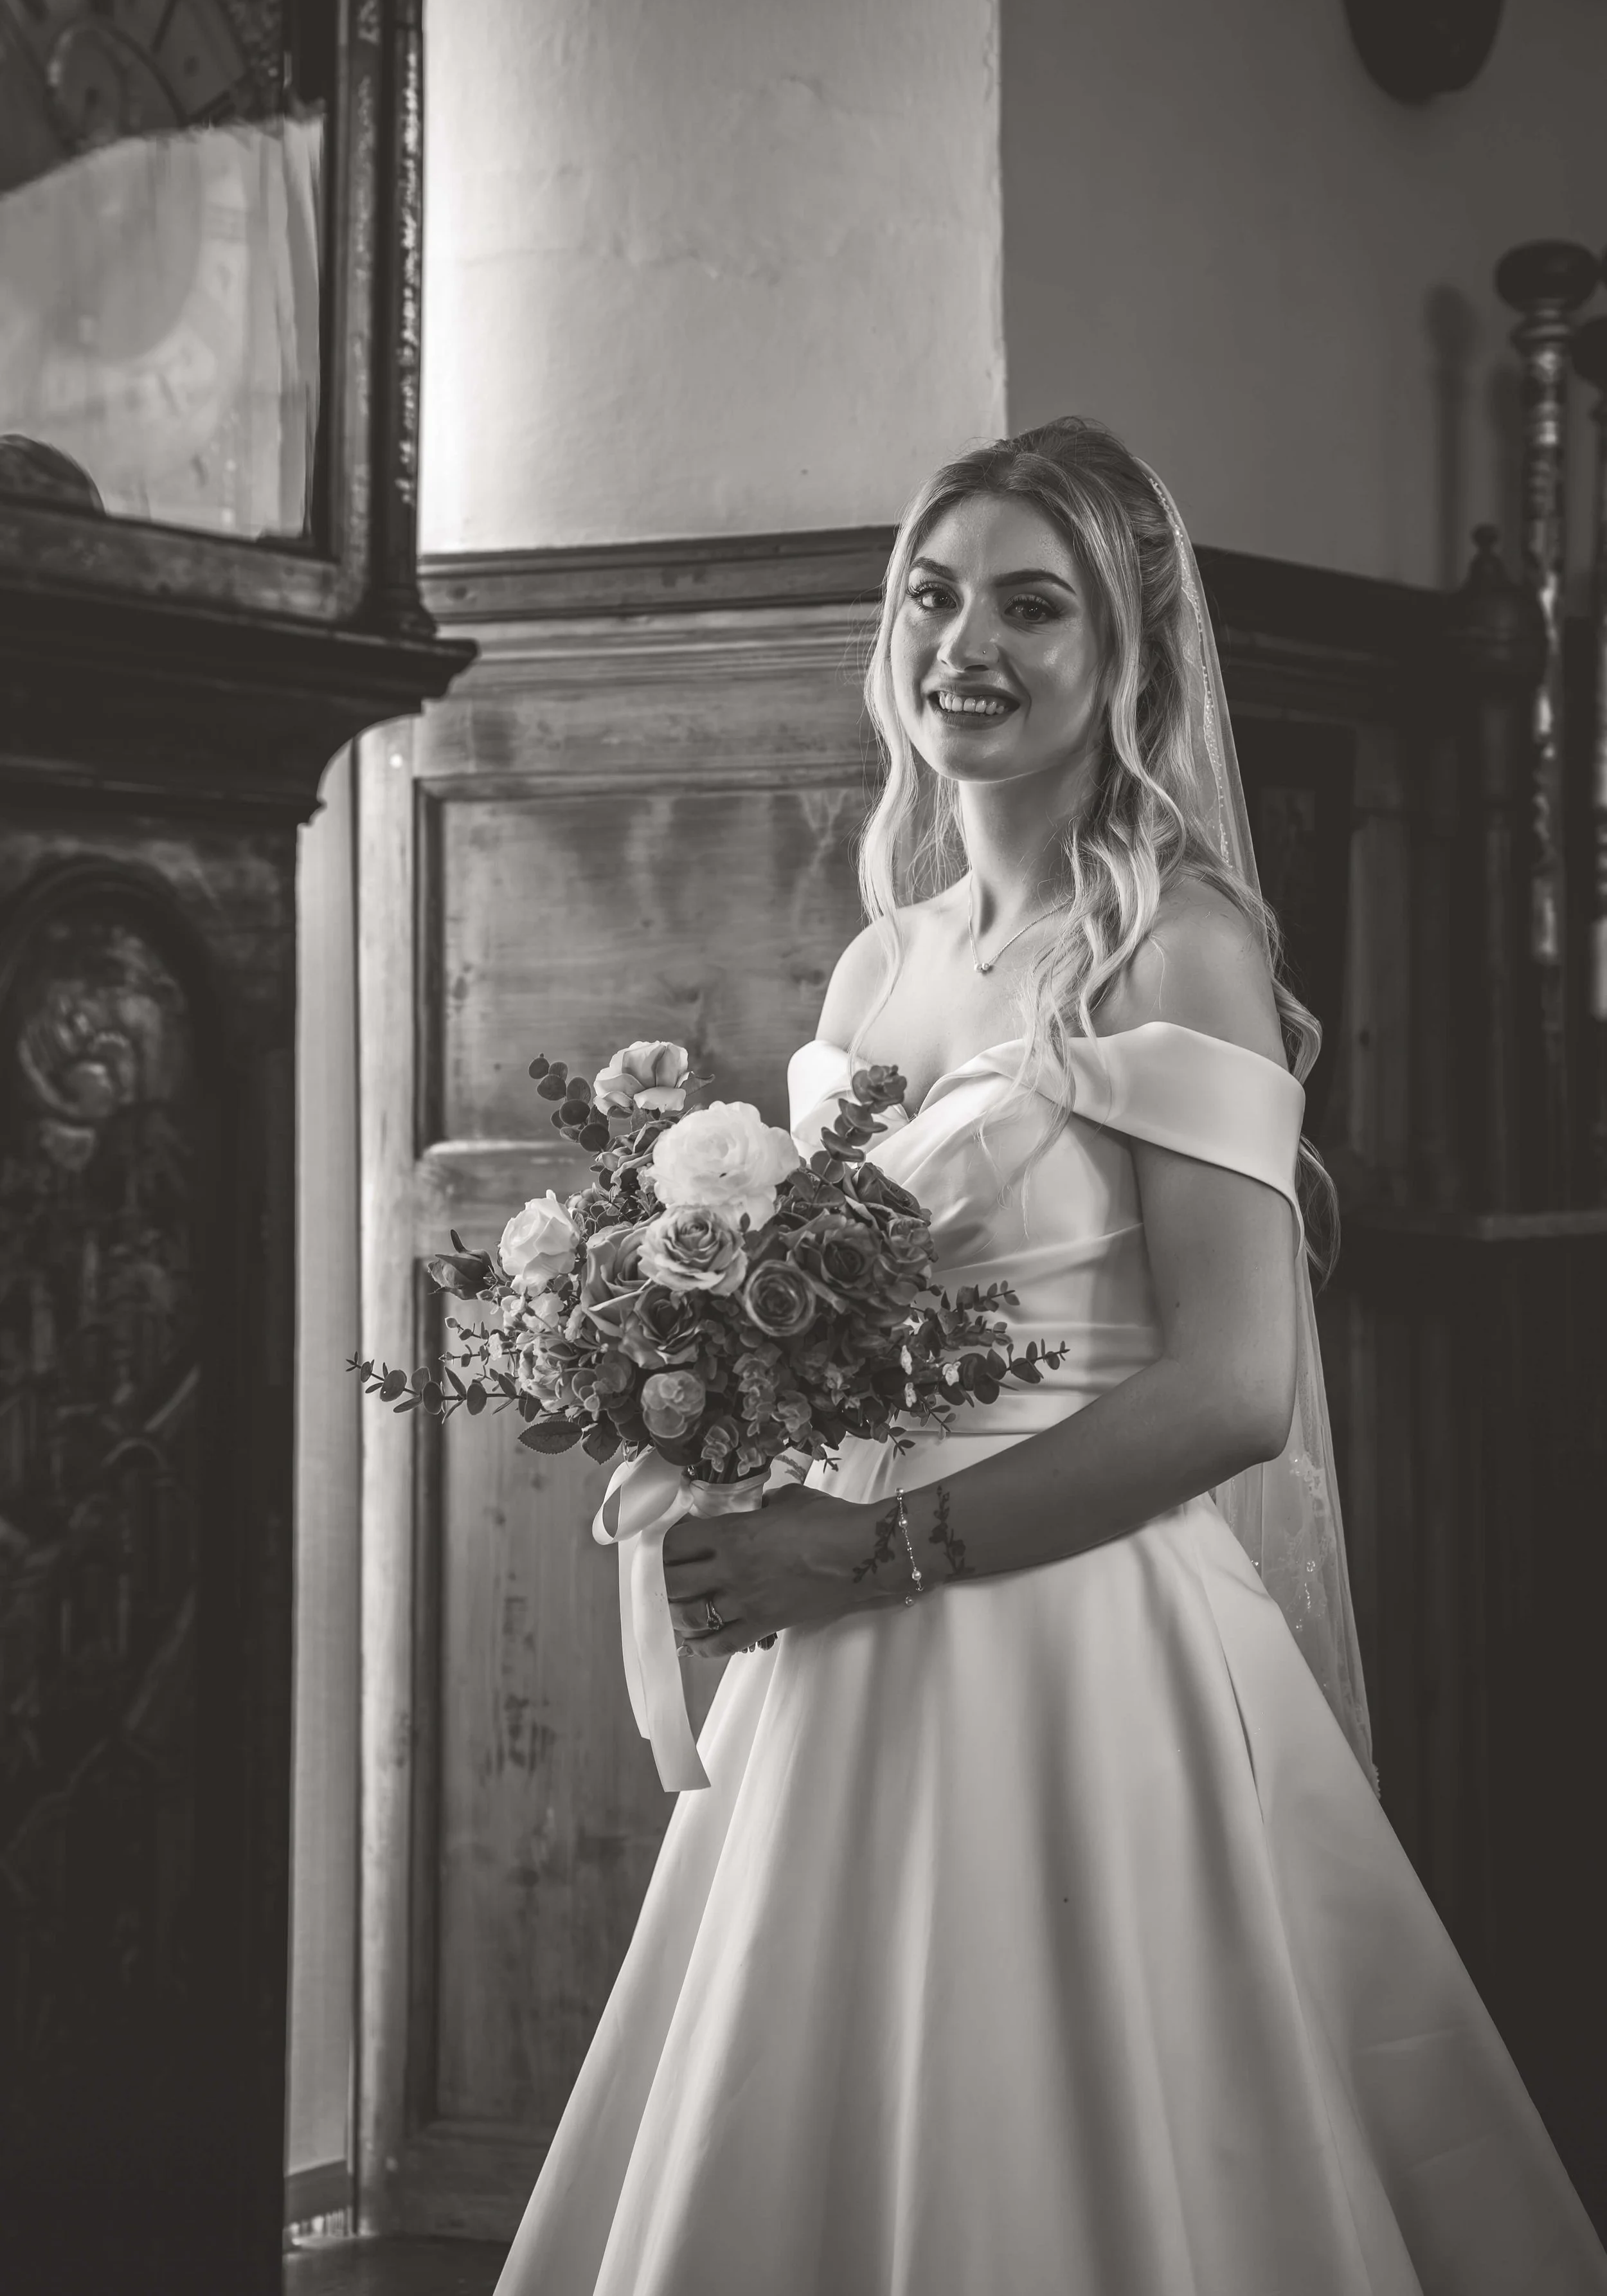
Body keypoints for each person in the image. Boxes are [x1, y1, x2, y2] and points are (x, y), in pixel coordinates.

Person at [492, 419, 1607, 2296]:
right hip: (836, 1644)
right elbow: (844, 1334)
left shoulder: (1175, 952)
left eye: (1031, 605)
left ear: (1127, 656)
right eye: (933, 597)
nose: (966, 647)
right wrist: (719, 1427)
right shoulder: (879, 962)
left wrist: (863, 1553)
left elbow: (1233, 1385)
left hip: (1072, 1630)